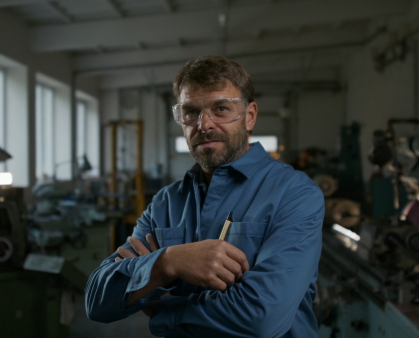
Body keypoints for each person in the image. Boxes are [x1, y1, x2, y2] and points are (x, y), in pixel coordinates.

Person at [85, 55, 324, 337]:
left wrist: (163, 309)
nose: (204, 124)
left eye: (221, 109)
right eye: (190, 112)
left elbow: (261, 318)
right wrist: (167, 262)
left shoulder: (293, 193)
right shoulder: (166, 203)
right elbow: (98, 300)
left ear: (249, 116)